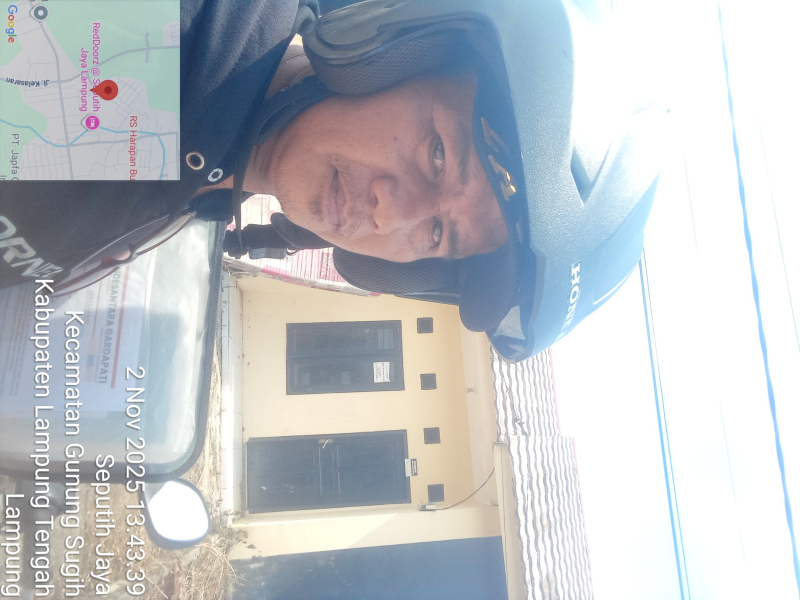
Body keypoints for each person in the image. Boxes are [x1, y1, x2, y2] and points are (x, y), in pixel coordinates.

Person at [0, 0, 666, 360]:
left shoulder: (207, 173)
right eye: (438, 155)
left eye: (438, 233)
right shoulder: (165, 51)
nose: (389, 214)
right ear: (396, 52)